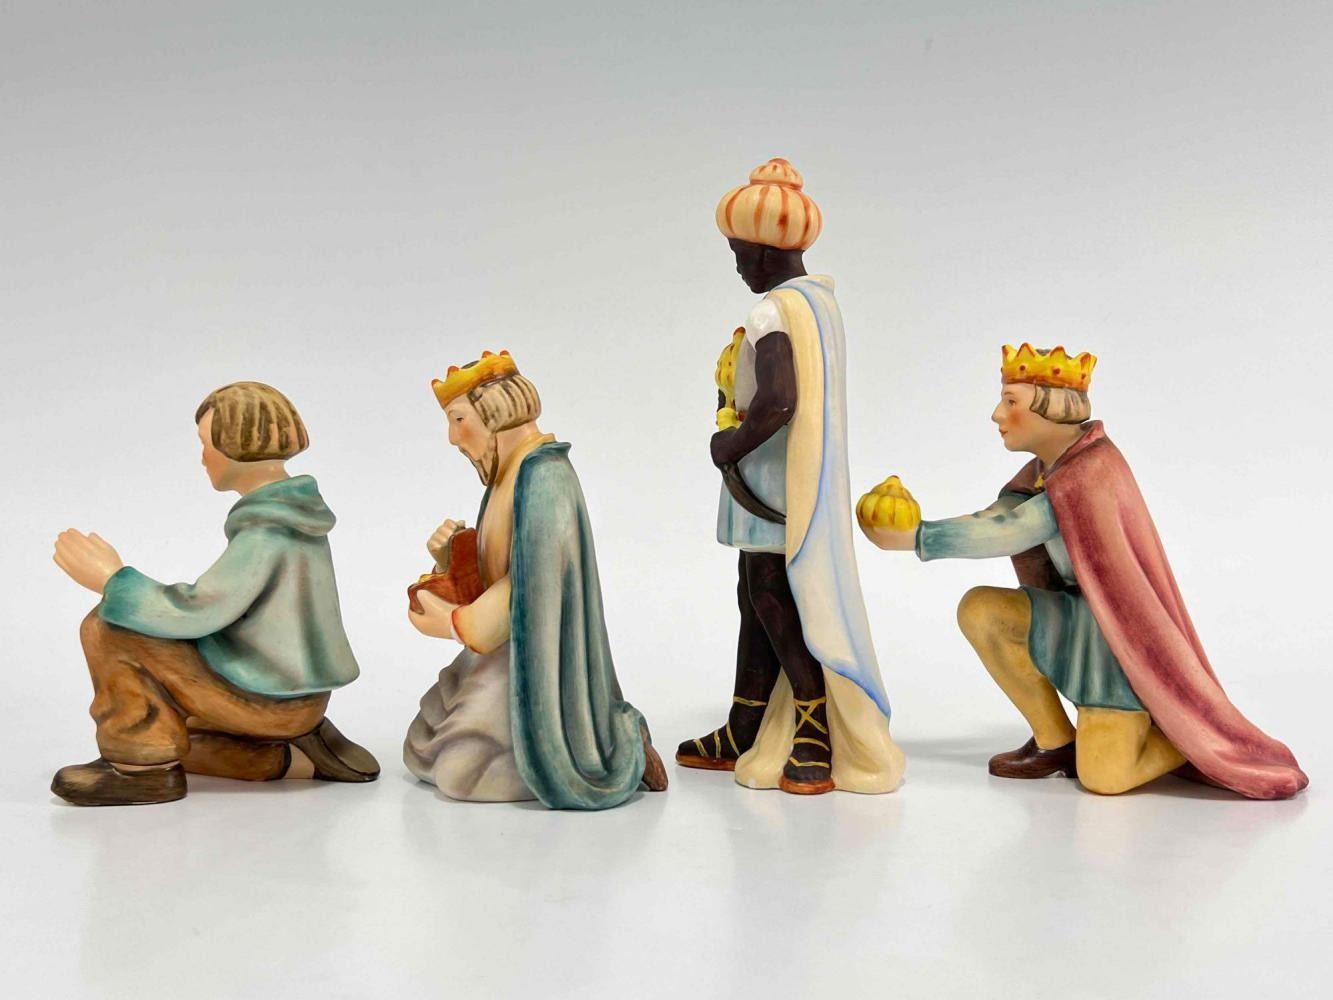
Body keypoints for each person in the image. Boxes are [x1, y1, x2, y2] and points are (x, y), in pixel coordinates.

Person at [860, 344, 1307, 799]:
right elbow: (1001, 516)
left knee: (1105, 778)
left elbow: (1014, 530)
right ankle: (1056, 742)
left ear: (1051, 410)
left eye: (1011, 402)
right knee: (981, 610)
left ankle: (1186, 737)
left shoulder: (1090, 471)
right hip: (1078, 619)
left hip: (1118, 642)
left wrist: (919, 537)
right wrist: (918, 531)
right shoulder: (1043, 470)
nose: (997, 414)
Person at [677, 158, 905, 795]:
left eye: (739, 253)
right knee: (754, 598)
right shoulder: (820, 304)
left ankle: (812, 726)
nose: (738, 266)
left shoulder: (774, 312)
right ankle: (745, 722)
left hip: (776, 486)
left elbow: (779, 401)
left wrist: (730, 443)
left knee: (774, 599)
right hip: (778, 480)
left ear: (764, 249)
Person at [51, 381, 378, 806]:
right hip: (294, 699)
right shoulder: (294, 518)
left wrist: (113, 580)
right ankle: (288, 758)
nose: (203, 457)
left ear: (238, 445)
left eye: (206, 444)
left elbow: (197, 610)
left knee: (108, 627)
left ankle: (141, 769)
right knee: (180, 733)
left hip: (269, 703)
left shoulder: (267, 532)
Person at [403, 351, 667, 809]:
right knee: (422, 747)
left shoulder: (544, 478)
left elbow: (533, 587)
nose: (453, 437)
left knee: (460, 774)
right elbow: (501, 569)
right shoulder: (503, 477)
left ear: (495, 413)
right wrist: (454, 558)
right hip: (499, 651)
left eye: (459, 419)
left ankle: (613, 742)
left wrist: (453, 623)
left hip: (536, 659)